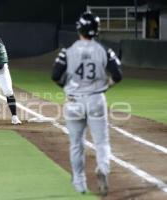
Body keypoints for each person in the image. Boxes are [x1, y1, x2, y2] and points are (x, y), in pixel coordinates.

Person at [52, 12, 122, 196]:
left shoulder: (68, 51)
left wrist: (66, 88)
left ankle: (80, 183)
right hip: (96, 99)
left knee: (76, 144)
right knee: (101, 142)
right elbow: (117, 75)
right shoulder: (104, 51)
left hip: (74, 101)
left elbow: (55, 75)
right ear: (96, 30)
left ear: (79, 29)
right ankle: (103, 169)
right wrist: (106, 85)